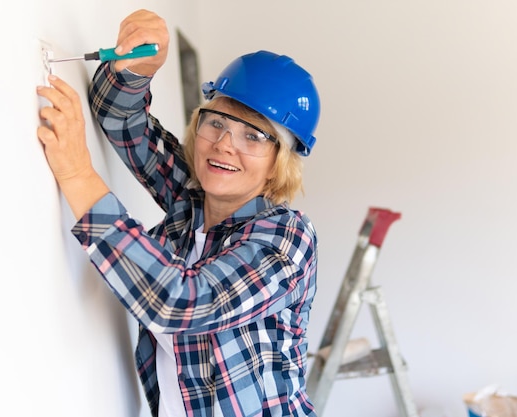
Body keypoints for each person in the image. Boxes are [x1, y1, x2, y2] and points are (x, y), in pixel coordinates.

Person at [36, 8, 321, 417]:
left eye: (253, 136)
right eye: (217, 122)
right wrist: (137, 69)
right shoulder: (193, 198)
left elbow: (182, 303)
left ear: (281, 161)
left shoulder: (288, 238)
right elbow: (120, 118)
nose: (224, 145)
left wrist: (79, 173)